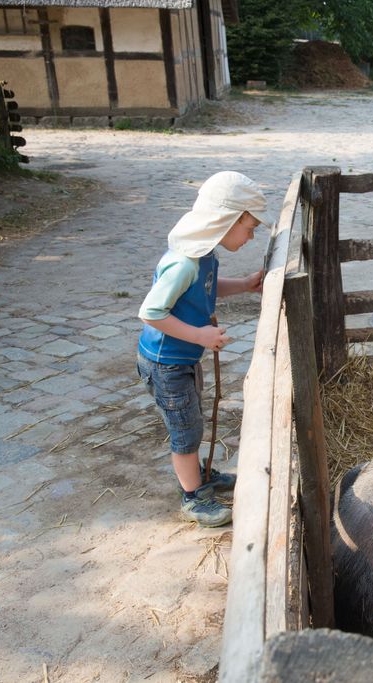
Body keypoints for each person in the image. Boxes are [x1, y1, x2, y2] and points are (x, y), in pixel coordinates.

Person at [136, 171, 270, 527]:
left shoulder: (204, 254)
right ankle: (193, 497)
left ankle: (201, 476)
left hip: (181, 360)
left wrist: (243, 285)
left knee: (191, 419)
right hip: (166, 363)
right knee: (186, 430)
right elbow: (151, 313)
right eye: (249, 227)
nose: (251, 235)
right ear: (226, 220)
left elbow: (205, 289)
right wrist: (200, 336)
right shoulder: (183, 263)